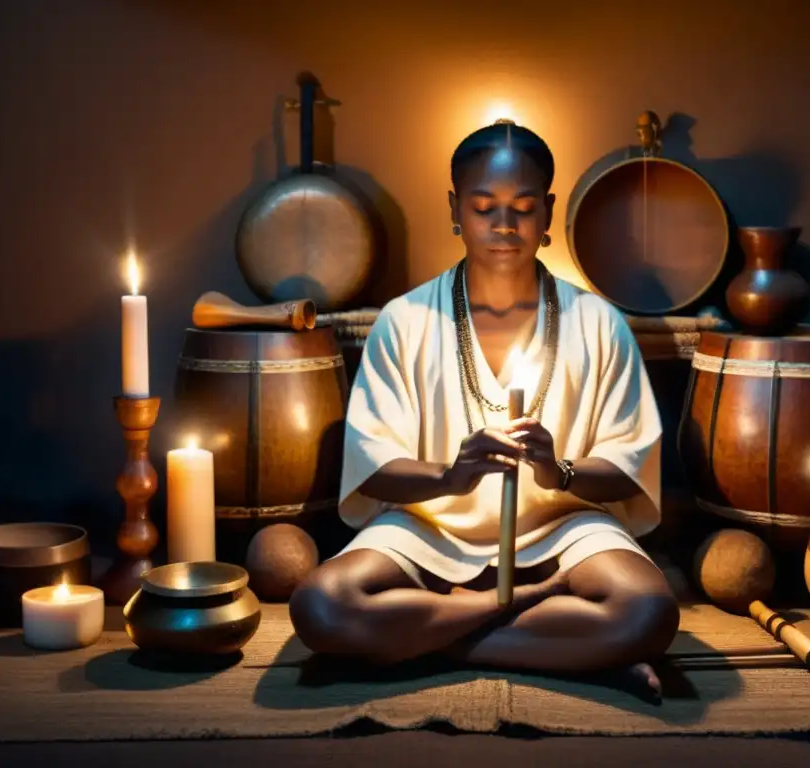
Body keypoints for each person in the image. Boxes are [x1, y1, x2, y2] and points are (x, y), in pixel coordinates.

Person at [290, 119, 678, 695]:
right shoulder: (405, 320)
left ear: (547, 213)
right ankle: (556, 633)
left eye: (523, 207)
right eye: (483, 206)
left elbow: (626, 467)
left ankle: (421, 639)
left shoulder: (597, 324)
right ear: (455, 209)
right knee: (322, 606)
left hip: (563, 527)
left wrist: (557, 470)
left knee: (648, 611)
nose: (503, 225)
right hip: (430, 527)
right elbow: (374, 466)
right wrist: (450, 477)